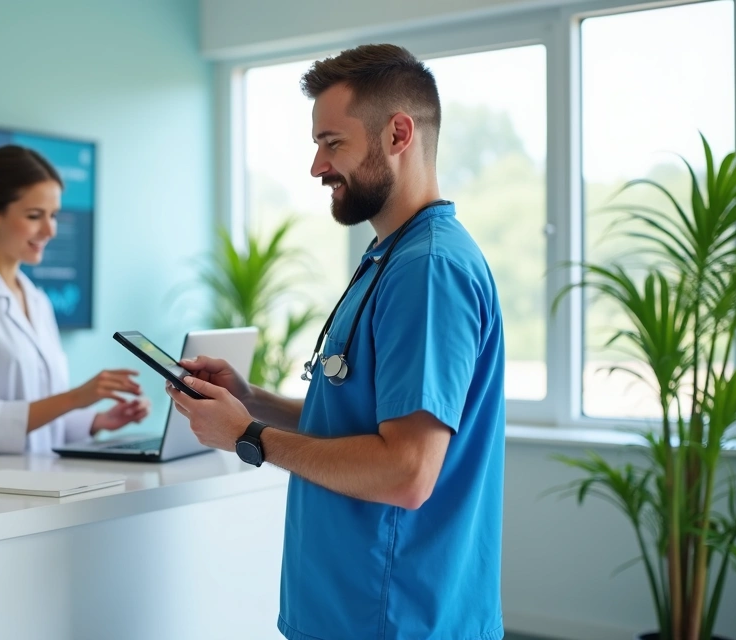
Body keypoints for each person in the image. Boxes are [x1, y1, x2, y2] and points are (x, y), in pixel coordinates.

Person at [167, 44, 506, 640]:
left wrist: (249, 437)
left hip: (392, 617)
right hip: (353, 611)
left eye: (333, 143)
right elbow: (361, 423)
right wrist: (253, 401)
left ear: (398, 133)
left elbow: (406, 470)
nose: (317, 166)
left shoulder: (427, 270)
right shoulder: (390, 258)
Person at [0, 145, 150, 463]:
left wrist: (97, 421)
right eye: (34, 216)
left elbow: (39, 414)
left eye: (53, 216)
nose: (50, 230)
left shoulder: (36, 301)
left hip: (42, 485)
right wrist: (74, 398)